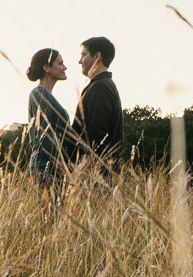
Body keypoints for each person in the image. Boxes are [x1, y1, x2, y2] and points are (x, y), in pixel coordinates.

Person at [70, 36, 123, 176]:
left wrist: (84, 166)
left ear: (97, 56)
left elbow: (97, 133)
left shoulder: (100, 87)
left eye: (83, 55)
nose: (79, 61)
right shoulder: (100, 85)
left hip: (96, 170)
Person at [26, 48, 70, 188]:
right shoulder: (40, 94)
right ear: (47, 68)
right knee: (52, 210)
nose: (65, 67)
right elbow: (44, 135)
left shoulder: (46, 94)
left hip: (52, 166)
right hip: (46, 166)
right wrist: (64, 168)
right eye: (60, 63)